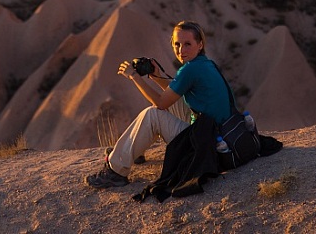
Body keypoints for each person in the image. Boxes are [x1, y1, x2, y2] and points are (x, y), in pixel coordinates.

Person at [85, 19, 233, 189]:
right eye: (177, 44)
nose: (181, 50)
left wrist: (134, 76)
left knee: (153, 114)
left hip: (202, 146)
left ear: (200, 45)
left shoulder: (189, 70)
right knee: (175, 102)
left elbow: (161, 103)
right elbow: (174, 94)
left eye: (187, 44)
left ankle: (115, 171)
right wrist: (155, 76)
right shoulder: (205, 63)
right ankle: (133, 150)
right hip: (217, 136)